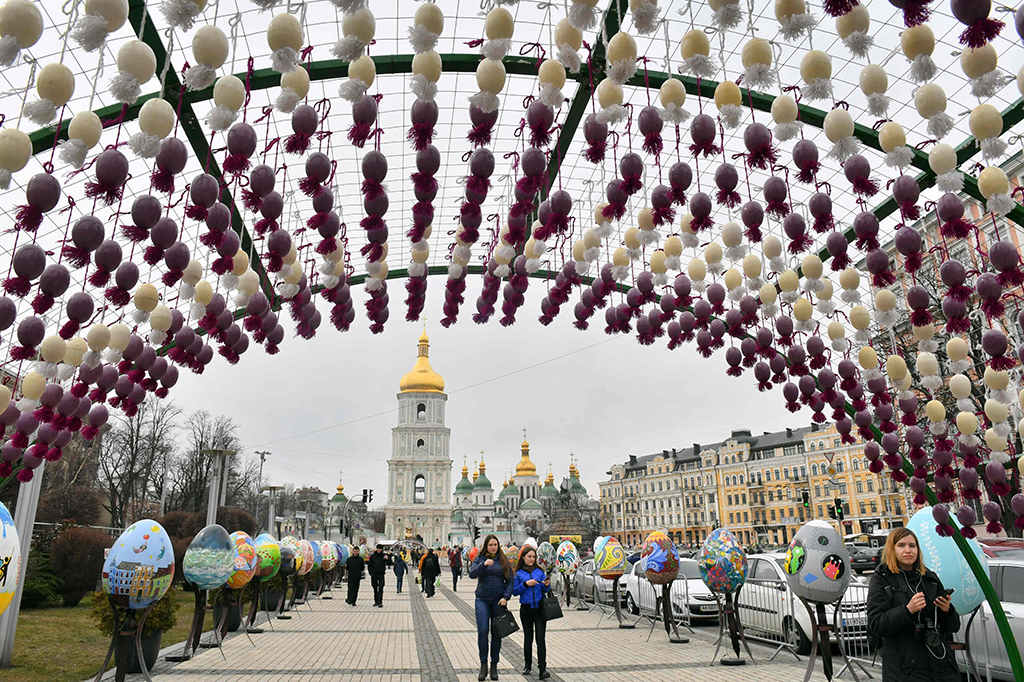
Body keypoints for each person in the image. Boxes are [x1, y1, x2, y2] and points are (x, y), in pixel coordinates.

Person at [867, 527, 961, 682]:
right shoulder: (882, 579)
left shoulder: (929, 578)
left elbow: (953, 626)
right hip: (905, 669)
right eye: (901, 545)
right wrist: (907, 610)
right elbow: (876, 624)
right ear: (892, 548)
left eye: (912, 545)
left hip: (941, 665)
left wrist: (947, 611)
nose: (908, 550)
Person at [469, 535, 514, 681]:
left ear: (498, 546)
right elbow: (471, 574)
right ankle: (483, 665)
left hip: (498, 601)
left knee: (496, 634)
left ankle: (494, 664)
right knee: (483, 631)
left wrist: (506, 597)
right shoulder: (480, 559)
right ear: (486, 546)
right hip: (482, 599)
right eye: (490, 545)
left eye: (495, 545)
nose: (493, 547)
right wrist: (484, 565)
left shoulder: (503, 560)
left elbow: (510, 580)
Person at [512, 546, 551, 679]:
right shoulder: (518, 573)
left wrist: (546, 585)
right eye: (529, 557)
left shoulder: (539, 572)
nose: (532, 559)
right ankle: (528, 665)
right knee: (528, 638)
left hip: (540, 609)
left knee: (540, 639)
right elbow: (515, 591)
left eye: (533, 557)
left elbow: (545, 590)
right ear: (523, 557)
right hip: (526, 610)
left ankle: (542, 669)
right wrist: (525, 584)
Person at [368, 543, 387, 608]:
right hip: (374, 574)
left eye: (380, 549)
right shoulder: (373, 556)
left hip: (381, 574)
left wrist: (387, 558)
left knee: (381, 588)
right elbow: (369, 565)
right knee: (375, 587)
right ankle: (376, 601)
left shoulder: (383, 555)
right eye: (378, 548)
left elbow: (389, 562)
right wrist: (370, 573)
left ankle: (380, 602)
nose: (379, 550)